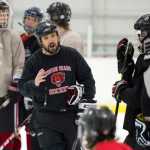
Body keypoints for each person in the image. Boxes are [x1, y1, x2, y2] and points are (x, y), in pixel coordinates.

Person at [18, 21, 96, 150]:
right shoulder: (34, 61)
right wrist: (34, 84)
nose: (51, 40)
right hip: (46, 119)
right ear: (40, 41)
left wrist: (84, 95)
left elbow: (88, 80)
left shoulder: (72, 55)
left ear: (58, 36)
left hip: (71, 117)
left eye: (53, 36)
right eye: (46, 38)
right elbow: (22, 87)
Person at [112, 14, 150, 150]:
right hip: (137, 129)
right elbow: (136, 86)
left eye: (142, 33)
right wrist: (126, 67)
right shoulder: (143, 58)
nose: (140, 37)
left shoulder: (147, 60)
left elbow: (138, 97)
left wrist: (121, 91)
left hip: (144, 133)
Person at [0, 0, 25, 149]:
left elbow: (20, 65)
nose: (2, 17)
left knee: (9, 135)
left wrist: (15, 85)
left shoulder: (14, 37)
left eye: (4, 14)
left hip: (8, 98)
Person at [20, 6, 44, 150]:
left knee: (34, 130)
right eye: (28, 18)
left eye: (34, 20)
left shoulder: (40, 42)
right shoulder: (20, 39)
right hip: (19, 90)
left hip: (33, 93)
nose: (29, 22)